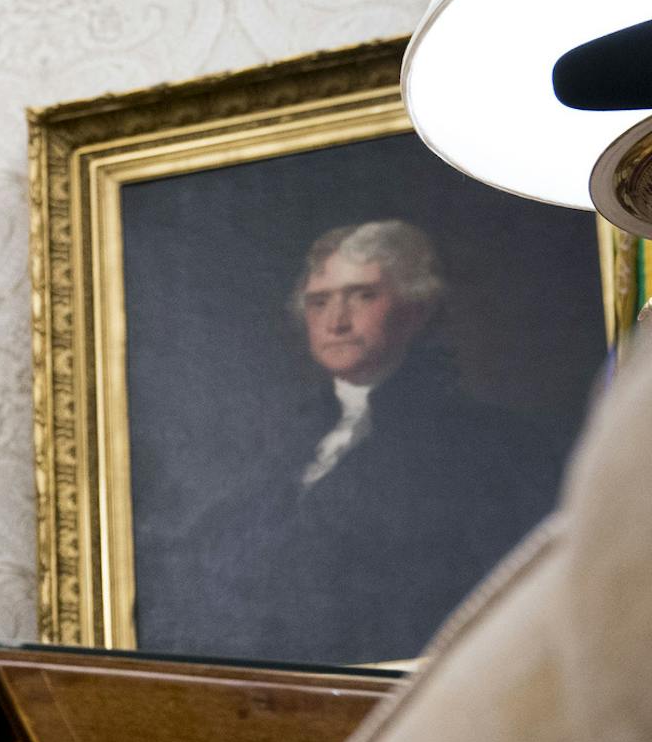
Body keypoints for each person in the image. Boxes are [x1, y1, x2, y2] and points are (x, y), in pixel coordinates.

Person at [157, 220, 561, 664]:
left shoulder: (486, 446)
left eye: (364, 295)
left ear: (416, 308)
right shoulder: (281, 443)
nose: (337, 322)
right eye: (319, 302)